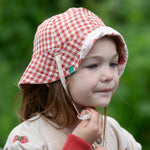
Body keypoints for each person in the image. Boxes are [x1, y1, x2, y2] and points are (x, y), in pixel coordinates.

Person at [4, 7, 141, 150]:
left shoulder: (113, 132)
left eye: (113, 63)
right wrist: (77, 145)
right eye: (93, 65)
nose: (108, 75)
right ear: (54, 75)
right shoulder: (27, 138)